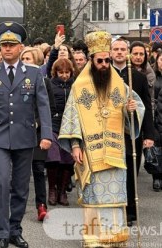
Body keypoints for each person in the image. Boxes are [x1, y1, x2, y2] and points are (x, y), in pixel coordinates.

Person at [58, 31, 145, 247]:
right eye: (100, 61)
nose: (105, 64)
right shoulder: (80, 86)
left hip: (115, 152)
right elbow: (73, 117)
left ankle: (115, 241)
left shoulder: (119, 84)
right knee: (95, 198)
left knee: (115, 199)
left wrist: (130, 110)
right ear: (92, 61)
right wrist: (75, 145)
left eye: (107, 60)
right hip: (91, 152)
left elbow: (137, 107)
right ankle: (94, 242)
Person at [0, 22, 52, 248]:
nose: (7, 49)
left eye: (12, 45)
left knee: (21, 187)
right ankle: (1, 233)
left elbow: (43, 105)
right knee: (1, 183)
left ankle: (15, 230)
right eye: (4, 45)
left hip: (25, 136)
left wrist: (46, 134)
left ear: (21, 47)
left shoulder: (33, 73)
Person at [110, 38, 155, 225]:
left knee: (130, 172)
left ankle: (129, 212)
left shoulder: (138, 77)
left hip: (132, 133)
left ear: (127, 52)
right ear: (111, 52)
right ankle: (112, 208)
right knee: (112, 171)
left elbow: (146, 106)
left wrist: (150, 135)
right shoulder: (103, 73)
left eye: (123, 49)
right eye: (116, 49)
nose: (119, 52)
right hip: (110, 131)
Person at [19, 46, 56, 221]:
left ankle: (41, 205)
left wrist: (39, 124)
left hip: (39, 131)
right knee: (20, 171)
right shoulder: (15, 80)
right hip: (19, 130)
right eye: (23, 59)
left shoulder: (45, 81)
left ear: (37, 62)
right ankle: (18, 205)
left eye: (29, 59)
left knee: (39, 169)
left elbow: (49, 108)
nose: (25, 62)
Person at [46, 58, 75, 206]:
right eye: (61, 72)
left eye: (67, 72)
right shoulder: (50, 85)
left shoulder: (75, 86)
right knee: (53, 157)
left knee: (67, 159)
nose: (64, 75)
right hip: (53, 125)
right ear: (55, 72)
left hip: (70, 127)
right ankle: (52, 189)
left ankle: (62, 191)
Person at [152, 50, 162, 191]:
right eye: (161, 59)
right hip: (156, 118)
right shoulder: (152, 77)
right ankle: (157, 177)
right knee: (156, 150)